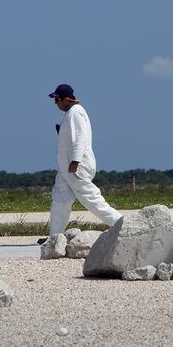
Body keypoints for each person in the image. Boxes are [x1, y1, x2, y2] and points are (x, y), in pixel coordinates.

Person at [46, 83, 123, 237]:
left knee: (91, 199)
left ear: (67, 99)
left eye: (57, 99)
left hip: (76, 167)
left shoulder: (76, 112)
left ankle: (123, 225)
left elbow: (80, 138)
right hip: (65, 168)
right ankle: (55, 236)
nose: (56, 103)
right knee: (60, 200)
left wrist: (75, 160)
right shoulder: (68, 114)